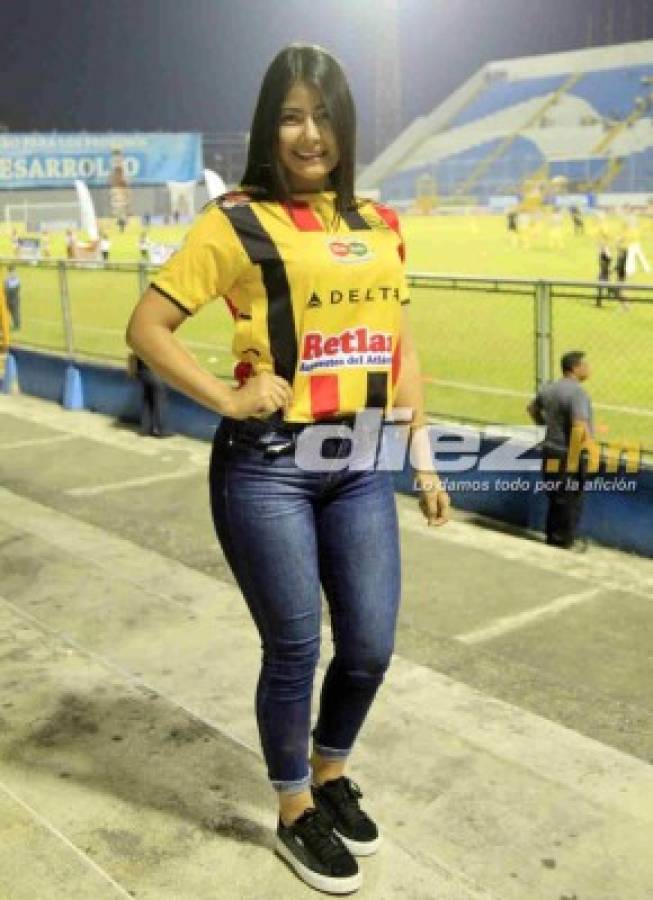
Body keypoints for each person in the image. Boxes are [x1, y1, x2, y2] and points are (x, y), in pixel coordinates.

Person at [125, 43, 449, 895]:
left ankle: (331, 773)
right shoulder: (233, 219)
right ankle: (294, 808)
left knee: (371, 645)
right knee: (296, 647)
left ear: (346, 127)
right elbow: (148, 327)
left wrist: (423, 456)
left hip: (360, 460)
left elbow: (399, 344)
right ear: (269, 128)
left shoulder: (380, 224)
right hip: (267, 465)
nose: (310, 134)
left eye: (325, 116)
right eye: (291, 116)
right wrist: (225, 399)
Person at [527, 351, 593, 550]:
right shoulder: (577, 393)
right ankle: (564, 543)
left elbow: (531, 409)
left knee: (556, 496)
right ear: (575, 368)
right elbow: (579, 424)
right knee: (571, 498)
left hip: (550, 449)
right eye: (585, 365)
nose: (589, 368)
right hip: (568, 452)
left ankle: (553, 538)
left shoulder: (548, 388)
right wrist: (590, 449)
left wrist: (545, 425)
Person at [127, 352, 172, 437]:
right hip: (151, 372)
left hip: (141, 372)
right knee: (160, 401)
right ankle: (163, 430)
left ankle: (145, 429)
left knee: (147, 400)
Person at [4, 265, 21, 331]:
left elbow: (15, 288)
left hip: (14, 298)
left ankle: (17, 326)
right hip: (8, 298)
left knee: (15, 312)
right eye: (10, 271)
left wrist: (6, 288)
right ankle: (6, 324)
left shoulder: (16, 278)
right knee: (7, 312)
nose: (11, 272)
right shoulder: (7, 278)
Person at [596, 243, 612, 308]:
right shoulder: (602, 255)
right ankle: (598, 303)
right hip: (603, 273)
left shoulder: (607, 257)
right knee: (600, 288)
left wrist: (606, 249)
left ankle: (599, 303)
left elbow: (609, 257)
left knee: (601, 288)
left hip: (604, 274)